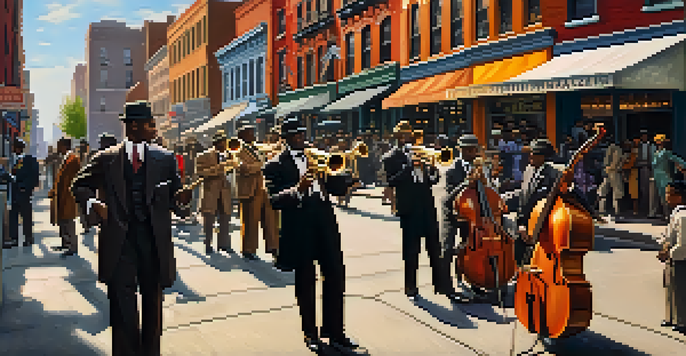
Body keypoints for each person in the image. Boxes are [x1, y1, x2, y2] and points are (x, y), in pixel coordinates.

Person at [71, 100, 192, 356]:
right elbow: (78, 186)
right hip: (119, 243)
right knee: (122, 307)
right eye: (150, 124)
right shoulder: (105, 159)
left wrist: (182, 203)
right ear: (133, 126)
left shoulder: (165, 159)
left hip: (153, 242)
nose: (155, 128)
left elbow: (175, 201)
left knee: (152, 306)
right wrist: (95, 203)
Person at [262, 118, 359, 353]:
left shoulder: (315, 157)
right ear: (285, 138)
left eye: (302, 134)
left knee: (335, 276)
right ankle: (310, 334)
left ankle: (335, 332)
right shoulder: (274, 165)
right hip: (300, 227)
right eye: (295, 135)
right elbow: (274, 200)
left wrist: (346, 180)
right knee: (305, 281)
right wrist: (297, 189)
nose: (300, 138)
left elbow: (333, 188)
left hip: (325, 223)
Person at [382, 121, 446, 301]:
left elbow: (432, 180)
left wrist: (433, 170)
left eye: (408, 135)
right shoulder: (390, 157)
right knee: (411, 250)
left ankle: (439, 284)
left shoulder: (420, 152)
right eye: (402, 135)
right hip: (409, 208)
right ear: (397, 138)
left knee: (434, 247)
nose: (406, 138)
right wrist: (409, 167)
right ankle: (411, 287)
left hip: (427, 205)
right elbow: (391, 181)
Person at [517, 139, 601, 266]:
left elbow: (574, 193)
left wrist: (592, 212)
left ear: (544, 157)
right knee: (519, 260)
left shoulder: (555, 173)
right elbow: (524, 199)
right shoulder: (528, 170)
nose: (530, 156)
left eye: (534, 153)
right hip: (528, 228)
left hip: (547, 229)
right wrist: (521, 223)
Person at [441, 133, 480, 302]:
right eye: (470, 150)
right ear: (462, 151)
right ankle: (447, 287)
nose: (473, 153)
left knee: (471, 249)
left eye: (475, 150)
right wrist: (466, 183)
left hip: (470, 215)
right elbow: (449, 197)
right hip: (452, 213)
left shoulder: (480, 168)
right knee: (447, 249)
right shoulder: (451, 170)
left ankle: (474, 282)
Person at [235, 125, 278, 260]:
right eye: (250, 133)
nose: (254, 134)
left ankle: (274, 246)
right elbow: (244, 168)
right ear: (243, 135)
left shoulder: (256, 147)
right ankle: (249, 249)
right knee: (250, 221)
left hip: (263, 188)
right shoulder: (236, 150)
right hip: (249, 189)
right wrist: (263, 164)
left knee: (271, 219)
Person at [195, 130, 235, 254]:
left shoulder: (231, 154)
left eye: (224, 142)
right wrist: (218, 168)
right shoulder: (203, 156)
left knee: (225, 219)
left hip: (225, 192)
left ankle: (224, 244)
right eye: (220, 142)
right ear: (215, 144)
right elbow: (200, 173)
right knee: (209, 221)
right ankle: (208, 244)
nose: (223, 145)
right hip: (210, 192)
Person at [657, 180, 686, 335]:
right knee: (670, 288)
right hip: (671, 257)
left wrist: (670, 253)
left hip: (681, 260)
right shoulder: (675, 213)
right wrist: (664, 244)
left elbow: (683, 244)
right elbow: (668, 235)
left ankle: (682, 321)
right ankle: (670, 318)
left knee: (681, 290)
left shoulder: (683, 216)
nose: (666, 196)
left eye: (670, 194)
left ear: (680, 197)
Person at [49, 138, 81, 257]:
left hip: (68, 196)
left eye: (59, 146)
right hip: (62, 195)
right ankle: (65, 243)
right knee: (62, 220)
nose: (58, 149)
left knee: (68, 221)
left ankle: (72, 246)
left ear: (64, 146)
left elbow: (71, 179)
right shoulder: (66, 158)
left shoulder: (73, 159)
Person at [8, 138, 39, 247]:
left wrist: (26, 188)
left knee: (26, 216)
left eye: (13, 147)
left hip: (24, 193)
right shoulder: (15, 160)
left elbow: (34, 176)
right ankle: (14, 238)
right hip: (15, 193)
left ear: (18, 148)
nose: (12, 149)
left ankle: (28, 238)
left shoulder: (29, 159)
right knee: (14, 215)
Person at [652, 134, 686, 220]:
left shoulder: (666, 153)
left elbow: (676, 159)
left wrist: (684, 165)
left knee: (666, 196)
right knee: (659, 195)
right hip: (657, 176)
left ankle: (668, 215)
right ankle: (662, 213)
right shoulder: (656, 153)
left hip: (664, 176)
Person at [598, 135, 626, 217]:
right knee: (616, 192)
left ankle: (602, 210)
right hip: (614, 172)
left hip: (609, 171)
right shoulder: (616, 149)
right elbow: (616, 161)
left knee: (604, 191)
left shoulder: (610, 148)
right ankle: (616, 211)